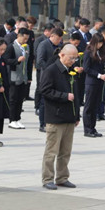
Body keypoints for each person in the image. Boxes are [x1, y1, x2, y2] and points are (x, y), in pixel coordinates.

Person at [40, 44, 81, 190]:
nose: (73, 61)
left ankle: (62, 177)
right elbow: (44, 90)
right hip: (55, 117)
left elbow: (76, 94)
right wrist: (64, 96)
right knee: (52, 151)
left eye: (75, 58)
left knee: (65, 151)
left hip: (69, 118)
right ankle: (47, 178)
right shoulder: (51, 70)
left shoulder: (72, 72)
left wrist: (77, 114)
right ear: (61, 55)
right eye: (71, 58)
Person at [35, 28, 64, 132]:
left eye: (61, 39)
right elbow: (39, 61)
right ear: (52, 36)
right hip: (46, 75)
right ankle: (42, 124)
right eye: (58, 38)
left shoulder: (60, 46)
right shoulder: (43, 44)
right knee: (44, 101)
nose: (59, 41)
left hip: (58, 76)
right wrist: (50, 69)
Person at [82, 34, 105, 137]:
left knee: (95, 106)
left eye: (102, 43)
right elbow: (86, 68)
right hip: (91, 82)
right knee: (89, 106)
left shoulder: (99, 52)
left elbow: (100, 65)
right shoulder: (88, 52)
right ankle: (87, 129)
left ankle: (92, 128)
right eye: (99, 43)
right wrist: (99, 75)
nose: (100, 45)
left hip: (99, 82)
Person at [4, 28, 31, 129]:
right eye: (24, 38)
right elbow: (6, 60)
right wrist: (17, 60)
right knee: (13, 100)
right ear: (19, 36)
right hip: (14, 77)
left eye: (27, 39)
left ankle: (17, 119)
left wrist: (29, 77)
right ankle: (12, 120)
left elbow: (29, 62)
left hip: (23, 77)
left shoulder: (27, 47)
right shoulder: (11, 46)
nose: (25, 41)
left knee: (20, 99)